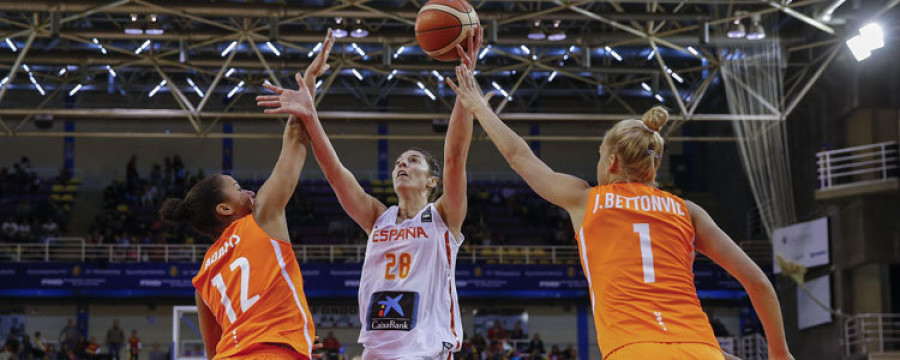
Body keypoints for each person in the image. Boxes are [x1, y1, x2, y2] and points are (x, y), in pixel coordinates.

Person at [447, 62, 794, 359]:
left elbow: (519, 157)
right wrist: (779, 353)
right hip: (699, 347)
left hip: (633, 350)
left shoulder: (586, 199)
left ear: (611, 161)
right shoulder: (687, 211)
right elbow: (757, 282)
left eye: (600, 154)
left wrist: (480, 108)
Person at [257, 27, 484, 360]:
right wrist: (310, 115)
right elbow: (335, 174)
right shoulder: (379, 217)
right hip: (376, 352)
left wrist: (467, 88)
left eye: (413, 160)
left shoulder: (443, 217)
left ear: (431, 181)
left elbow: (454, 157)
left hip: (425, 351)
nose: (402, 165)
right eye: (398, 162)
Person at [160, 30, 334, 360]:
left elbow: (214, 352)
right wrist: (308, 84)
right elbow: (296, 142)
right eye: (239, 188)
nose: (250, 190)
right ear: (225, 208)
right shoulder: (262, 218)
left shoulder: (203, 276)